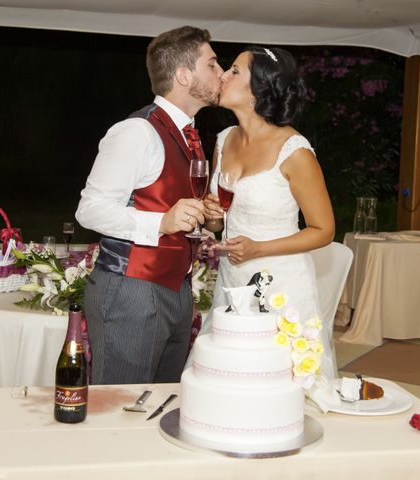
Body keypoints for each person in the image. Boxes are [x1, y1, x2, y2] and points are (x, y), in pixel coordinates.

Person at [75, 26, 223, 385]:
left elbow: (163, 198)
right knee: (120, 407)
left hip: (176, 291)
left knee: (159, 403)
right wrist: (162, 222)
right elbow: (89, 208)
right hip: (131, 292)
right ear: (183, 75)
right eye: (213, 63)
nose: (221, 72)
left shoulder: (190, 135)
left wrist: (206, 216)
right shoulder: (137, 132)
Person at [197, 46, 337, 377]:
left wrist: (260, 249)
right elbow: (217, 223)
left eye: (234, 71)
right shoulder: (223, 140)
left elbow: (324, 230)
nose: (223, 75)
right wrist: (212, 212)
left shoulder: (295, 152)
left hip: (281, 286)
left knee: (281, 381)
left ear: (257, 92)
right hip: (233, 281)